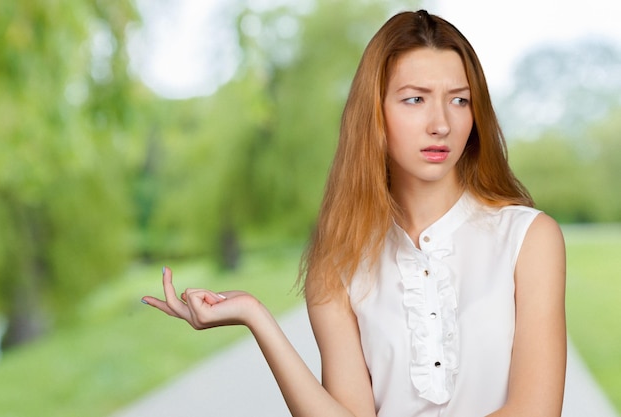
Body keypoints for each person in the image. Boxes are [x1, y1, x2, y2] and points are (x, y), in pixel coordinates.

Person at [141, 9, 566, 417]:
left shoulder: (530, 238)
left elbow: (535, 411)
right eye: (415, 99)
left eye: (459, 101)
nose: (441, 123)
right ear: (374, 114)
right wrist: (257, 317)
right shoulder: (338, 262)